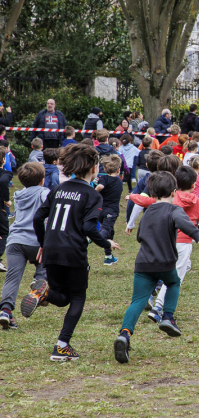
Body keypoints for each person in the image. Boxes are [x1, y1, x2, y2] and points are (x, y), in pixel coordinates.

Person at [22, 143, 121, 361]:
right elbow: (88, 227)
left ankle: (43, 293)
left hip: (52, 250)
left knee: (62, 297)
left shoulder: (58, 189)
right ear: (94, 168)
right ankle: (62, 346)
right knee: (77, 298)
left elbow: (39, 217)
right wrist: (105, 242)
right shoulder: (92, 195)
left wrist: (43, 243)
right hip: (73, 251)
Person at [113, 170, 199, 363]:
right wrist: (198, 237)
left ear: (153, 194)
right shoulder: (175, 210)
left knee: (138, 301)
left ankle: (124, 334)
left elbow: (140, 236)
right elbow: (185, 223)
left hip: (143, 263)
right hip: (165, 263)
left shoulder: (148, 212)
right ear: (174, 192)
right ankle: (168, 317)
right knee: (173, 283)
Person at [0, 163, 49, 330]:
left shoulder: (18, 194)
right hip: (36, 240)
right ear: (42, 180)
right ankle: (39, 283)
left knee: (12, 277)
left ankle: (5, 311)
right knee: (45, 264)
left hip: (15, 241)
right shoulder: (44, 193)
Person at [95, 155, 125, 266]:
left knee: (110, 231)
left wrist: (96, 190)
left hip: (100, 211)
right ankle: (92, 237)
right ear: (118, 170)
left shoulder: (103, 178)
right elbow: (100, 187)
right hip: (111, 212)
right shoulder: (118, 181)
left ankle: (108, 257)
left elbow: (101, 186)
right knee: (105, 230)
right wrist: (95, 191)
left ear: (106, 170)